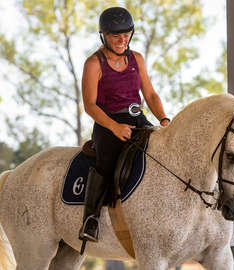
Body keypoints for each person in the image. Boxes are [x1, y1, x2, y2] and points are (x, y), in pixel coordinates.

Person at [79, 7, 170, 243]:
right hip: (108, 123)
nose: (122, 41)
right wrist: (114, 127)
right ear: (103, 35)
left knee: (165, 150)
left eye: (127, 35)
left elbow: (149, 94)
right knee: (106, 163)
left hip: (138, 118)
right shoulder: (93, 63)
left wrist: (164, 120)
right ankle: (91, 219)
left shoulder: (136, 58)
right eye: (116, 36)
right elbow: (89, 105)